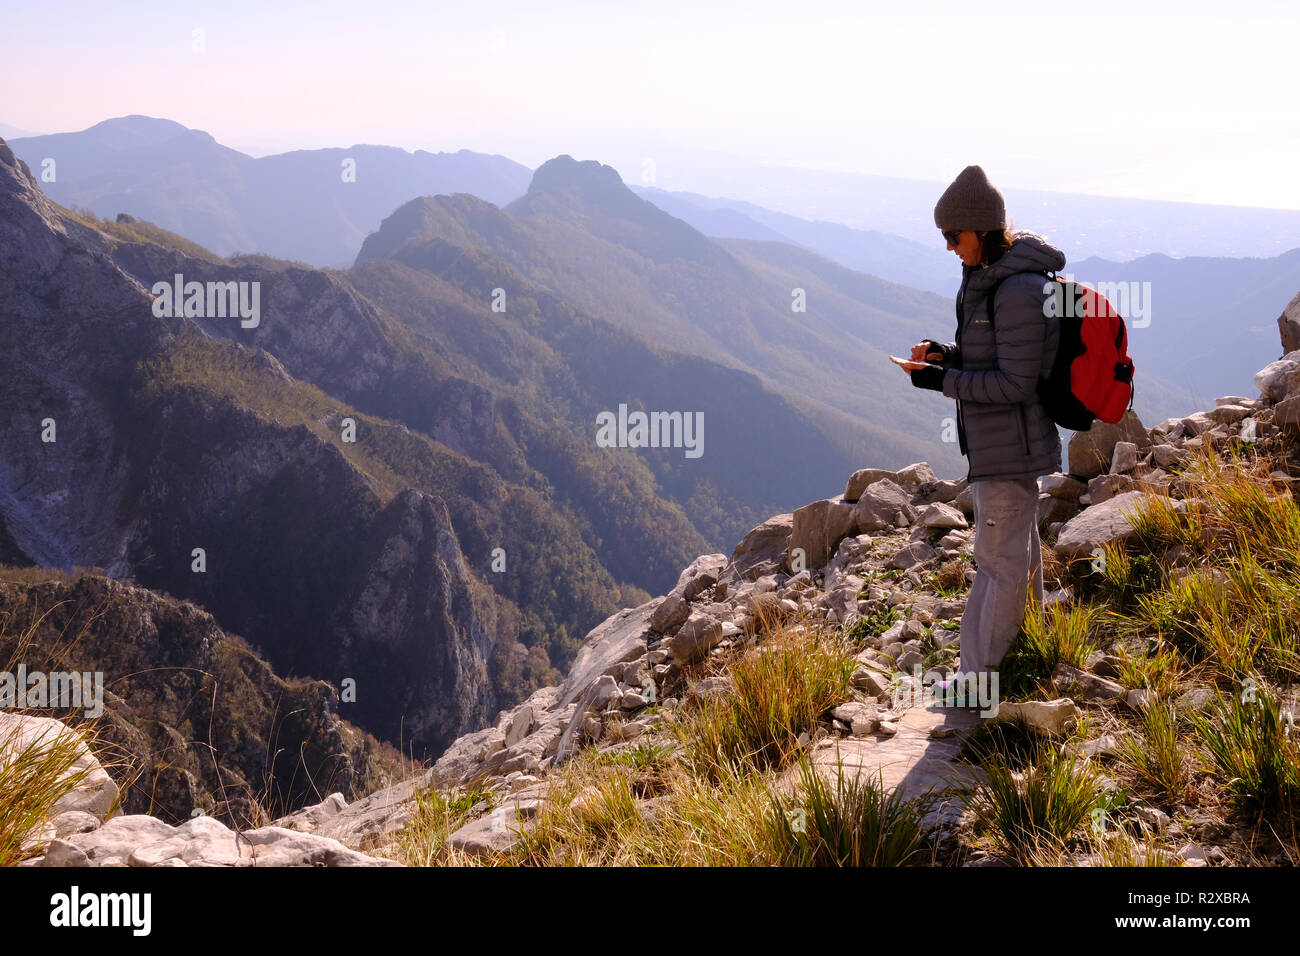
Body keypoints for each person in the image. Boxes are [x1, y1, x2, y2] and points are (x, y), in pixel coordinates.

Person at [902, 164, 1064, 707]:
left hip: (1009, 449)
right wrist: (944, 357)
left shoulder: (1016, 289)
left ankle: (979, 684)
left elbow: (1016, 383)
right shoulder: (990, 278)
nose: (949, 247)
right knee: (1017, 557)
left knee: (997, 566)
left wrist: (941, 380)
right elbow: (992, 359)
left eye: (954, 236)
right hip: (1003, 447)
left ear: (983, 230)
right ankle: (1025, 658)